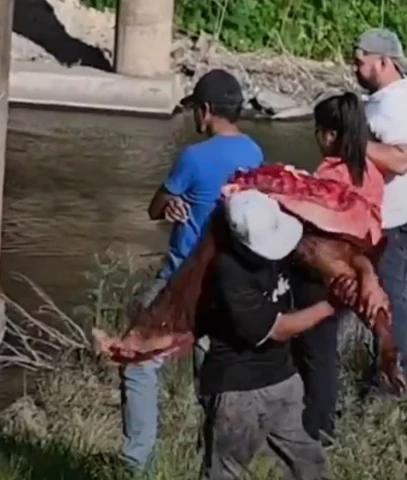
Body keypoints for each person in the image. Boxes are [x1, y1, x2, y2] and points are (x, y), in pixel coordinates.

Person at [121, 69, 264, 473]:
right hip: (228, 283)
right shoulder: (255, 154)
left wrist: (169, 205)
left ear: (205, 111)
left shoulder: (194, 158)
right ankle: (217, 467)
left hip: (181, 282)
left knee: (138, 360)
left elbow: (154, 208)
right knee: (214, 384)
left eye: (195, 112)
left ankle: (137, 464)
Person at [199, 189, 331, 480]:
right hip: (238, 389)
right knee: (227, 472)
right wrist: (331, 305)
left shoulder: (279, 249)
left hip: (284, 379)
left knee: (311, 465)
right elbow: (278, 330)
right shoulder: (228, 271)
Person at [290, 91, 387, 445]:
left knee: (314, 351)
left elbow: (315, 221)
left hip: (320, 271)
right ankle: (324, 420)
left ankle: (316, 429)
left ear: (330, 134)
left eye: (318, 131)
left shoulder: (330, 172)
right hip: (355, 269)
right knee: (326, 347)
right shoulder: (370, 171)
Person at [353, 28, 407, 396]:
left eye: (359, 60)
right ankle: (382, 374)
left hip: (394, 226)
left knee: (389, 305)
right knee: (379, 301)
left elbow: (400, 159)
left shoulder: (396, 101)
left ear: (382, 61)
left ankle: (391, 385)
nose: (354, 66)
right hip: (385, 220)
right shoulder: (383, 97)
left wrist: (354, 142)